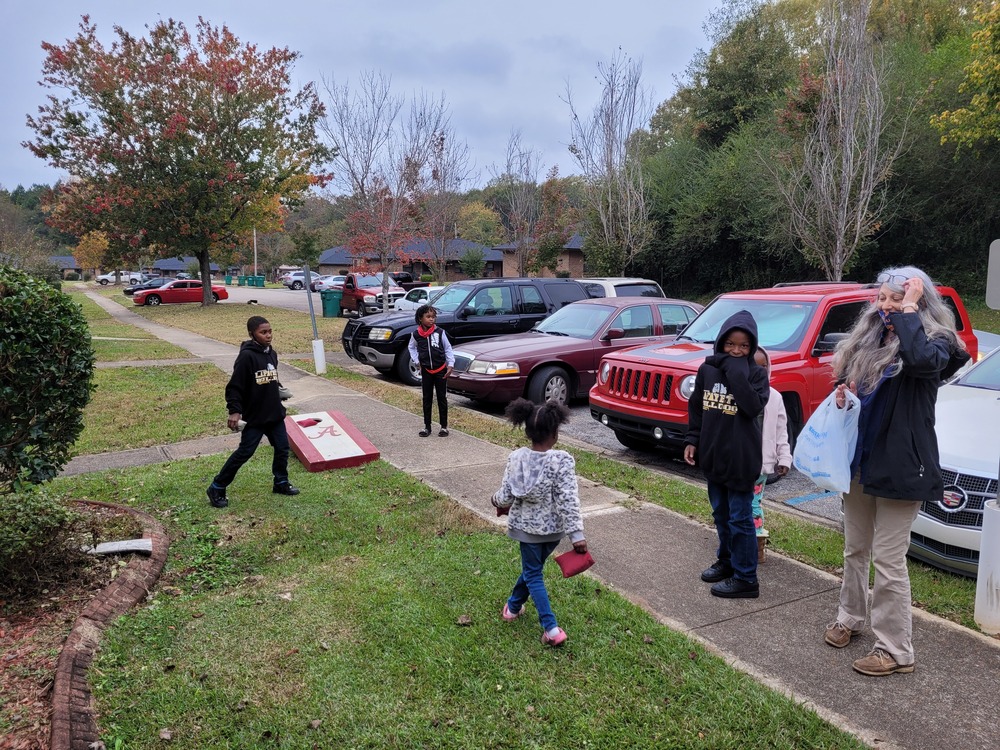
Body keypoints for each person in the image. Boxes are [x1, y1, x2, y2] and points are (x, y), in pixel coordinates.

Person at [823, 266, 968, 676]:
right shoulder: (873, 339)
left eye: (896, 299)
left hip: (904, 465)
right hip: (861, 462)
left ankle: (895, 649)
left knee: (888, 561)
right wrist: (845, 393)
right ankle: (849, 618)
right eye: (882, 298)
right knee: (855, 549)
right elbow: (854, 386)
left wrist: (909, 309)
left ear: (919, 302)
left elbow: (923, 362)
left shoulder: (937, 342)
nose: (886, 306)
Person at [684, 311, 770, 599]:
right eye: (730, 344)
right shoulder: (707, 371)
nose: (736, 351)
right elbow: (696, 408)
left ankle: (746, 578)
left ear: (752, 347)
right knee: (721, 514)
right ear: (720, 342)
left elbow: (751, 407)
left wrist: (736, 371)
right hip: (714, 454)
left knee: (740, 518)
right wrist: (692, 440)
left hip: (742, 459)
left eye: (744, 346)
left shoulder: (756, 374)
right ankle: (727, 560)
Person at [492, 398, 587, 647]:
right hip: (552, 532)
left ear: (526, 431)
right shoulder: (562, 461)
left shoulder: (515, 458)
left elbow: (505, 495)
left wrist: (495, 500)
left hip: (525, 530)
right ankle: (513, 607)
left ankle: (551, 628)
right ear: (555, 434)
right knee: (532, 570)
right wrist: (576, 535)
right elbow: (569, 499)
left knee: (533, 573)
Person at [206, 316, 299, 508]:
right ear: (252, 334)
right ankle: (217, 486)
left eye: (270, 331)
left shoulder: (271, 353)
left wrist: (279, 390)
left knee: (282, 448)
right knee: (245, 452)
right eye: (263, 332)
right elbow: (235, 386)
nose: (268, 335)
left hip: (274, 414)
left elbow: (269, 378)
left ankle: (280, 482)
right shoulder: (247, 356)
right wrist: (234, 411)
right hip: (255, 416)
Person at [751, 347, 792, 561]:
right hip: (739, 461)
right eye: (753, 366)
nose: (758, 371)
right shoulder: (739, 392)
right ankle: (737, 538)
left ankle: (758, 543)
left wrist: (784, 457)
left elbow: (780, 430)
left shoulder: (774, 397)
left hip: (761, 464)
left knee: (754, 502)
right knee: (737, 502)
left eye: (763, 367)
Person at [408, 304, 454, 437]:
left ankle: (444, 427)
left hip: (441, 371)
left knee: (441, 398)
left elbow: (448, 348)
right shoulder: (416, 334)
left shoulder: (440, 332)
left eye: (433, 317)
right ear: (420, 318)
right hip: (426, 371)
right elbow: (411, 348)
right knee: (426, 398)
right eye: (428, 317)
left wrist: (450, 364)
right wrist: (417, 361)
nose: (431, 319)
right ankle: (427, 426)